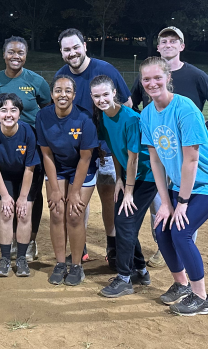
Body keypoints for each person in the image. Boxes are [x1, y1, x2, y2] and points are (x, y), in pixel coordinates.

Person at [129, 26, 208, 268]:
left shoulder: (194, 75)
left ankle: (182, 249)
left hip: (189, 155)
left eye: (173, 41)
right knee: (162, 204)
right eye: (163, 41)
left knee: (183, 220)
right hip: (163, 152)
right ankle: (165, 245)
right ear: (157, 47)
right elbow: (131, 104)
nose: (168, 44)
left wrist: (202, 135)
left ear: (181, 46)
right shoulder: (146, 79)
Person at [139, 56, 208, 316]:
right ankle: (181, 285)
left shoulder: (185, 108)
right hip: (181, 184)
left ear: (169, 78)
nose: (152, 83)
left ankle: (202, 297)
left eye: (158, 77)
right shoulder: (147, 114)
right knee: (162, 227)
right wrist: (166, 203)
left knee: (181, 231)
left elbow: (191, 159)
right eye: (146, 79)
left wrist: (181, 203)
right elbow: (155, 161)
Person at [56, 28, 133, 269]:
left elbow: (127, 104)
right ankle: (82, 247)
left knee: (109, 195)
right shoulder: (61, 76)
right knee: (78, 198)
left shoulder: (105, 69)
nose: (72, 53)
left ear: (85, 46)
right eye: (67, 49)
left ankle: (112, 245)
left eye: (75, 47)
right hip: (78, 152)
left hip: (107, 149)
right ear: (61, 52)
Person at [89, 75, 157, 298]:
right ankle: (141, 271)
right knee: (124, 221)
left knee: (124, 221)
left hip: (146, 176)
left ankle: (124, 278)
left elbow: (134, 158)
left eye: (105, 94)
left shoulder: (129, 118)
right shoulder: (103, 118)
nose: (102, 99)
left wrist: (128, 191)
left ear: (114, 94)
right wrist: (119, 179)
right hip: (128, 175)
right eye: (97, 96)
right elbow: (116, 152)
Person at [0, 36, 51, 261]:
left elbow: (47, 110)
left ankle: (29, 240)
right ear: (4, 55)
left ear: (26, 55)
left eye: (21, 52)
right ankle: (13, 238)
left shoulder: (37, 81)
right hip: (6, 145)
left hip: (32, 146)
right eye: (11, 52)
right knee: (10, 192)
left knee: (32, 194)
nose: (16, 56)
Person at [35, 75, 99, 286]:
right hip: (57, 167)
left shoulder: (84, 118)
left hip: (82, 168)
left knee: (74, 214)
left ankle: (77, 265)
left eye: (67, 91)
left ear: (74, 94)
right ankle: (60, 263)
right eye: (58, 90)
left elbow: (86, 157)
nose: (63, 95)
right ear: (52, 94)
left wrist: (74, 192)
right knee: (56, 212)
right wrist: (55, 189)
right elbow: (46, 154)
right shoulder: (43, 116)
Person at [0, 93, 42, 277]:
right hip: (4, 175)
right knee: (6, 212)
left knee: (24, 213)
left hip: (29, 174)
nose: (8, 115)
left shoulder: (29, 132)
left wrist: (23, 198)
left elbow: (30, 168)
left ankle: (22, 258)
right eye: (3, 110)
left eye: (13, 110)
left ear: (20, 113)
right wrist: (6, 197)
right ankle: (5, 258)